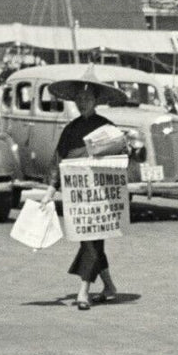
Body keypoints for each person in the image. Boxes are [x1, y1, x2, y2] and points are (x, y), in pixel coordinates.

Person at [40, 85, 120, 310]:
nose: (82, 102)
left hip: (101, 196)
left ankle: (83, 291)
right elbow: (58, 160)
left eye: (87, 98)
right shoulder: (70, 129)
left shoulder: (107, 127)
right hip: (77, 196)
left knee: (92, 243)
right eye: (79, 98)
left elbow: (121, 155)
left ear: (95, 100)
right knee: (91, 241)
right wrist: (49, 192)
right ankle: (110, 287)